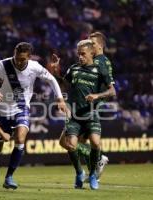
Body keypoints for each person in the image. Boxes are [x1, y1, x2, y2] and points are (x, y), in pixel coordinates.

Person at [0, 42, 68, 189]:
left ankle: (9, 177)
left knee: (20, 137)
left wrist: (60, 99)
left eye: (22, 59)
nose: (18, 61)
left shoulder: (34, 67)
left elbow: (51, 79)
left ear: (29, 57)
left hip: (20, 108)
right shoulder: (2, 65)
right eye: (16, 57)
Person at [59, 39, 116, 190]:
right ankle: (79, 173)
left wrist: (97, 96)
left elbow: (112, 91)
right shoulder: (74, 68)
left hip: (91, 114)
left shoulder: (100, 70)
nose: (80, 57)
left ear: (91, 53)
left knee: (96, 143)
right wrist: (56, 72)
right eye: (78, 54)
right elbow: (64, 85)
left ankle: (92, 175)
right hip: (75, 115)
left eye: (83, 54)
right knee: (70, 144)